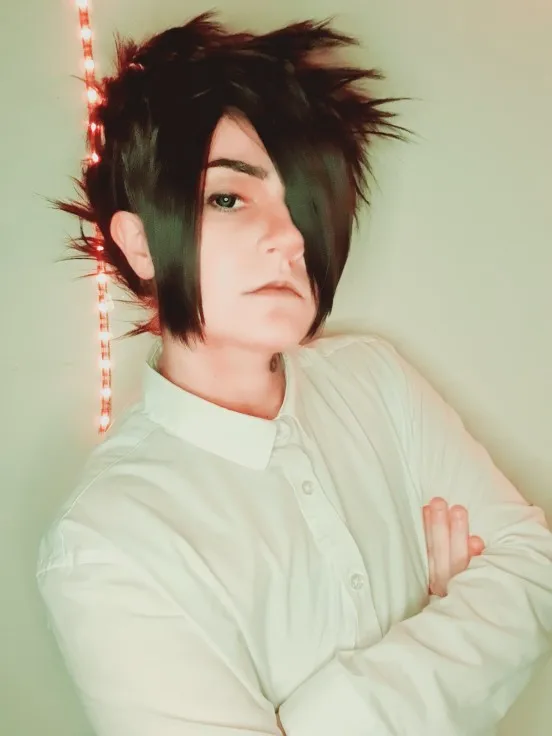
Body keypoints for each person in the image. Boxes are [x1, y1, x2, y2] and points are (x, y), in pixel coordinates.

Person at [37, 13, 552, 736]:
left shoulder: (374, 378)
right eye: (228, 197)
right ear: (141, 244)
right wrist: (456, 638)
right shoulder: (107, 539)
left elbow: (532, 565)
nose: (288, 238)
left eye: (302, 204)